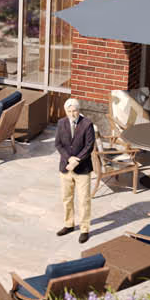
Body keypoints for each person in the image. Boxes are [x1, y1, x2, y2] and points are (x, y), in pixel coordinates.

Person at [54, 98, 96, 244]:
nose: (72, 113)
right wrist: (69, 159)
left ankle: (84, 229)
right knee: (67, 198)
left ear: (79, 110)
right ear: (66, 111)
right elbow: (58, 144)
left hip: (82, 169)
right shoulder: (61, 123)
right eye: (69, 111)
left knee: (83, 200)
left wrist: (76, 160)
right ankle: (69, 224)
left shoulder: (87, 124)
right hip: (65, 168)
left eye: (75, 111)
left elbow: (89, 146)